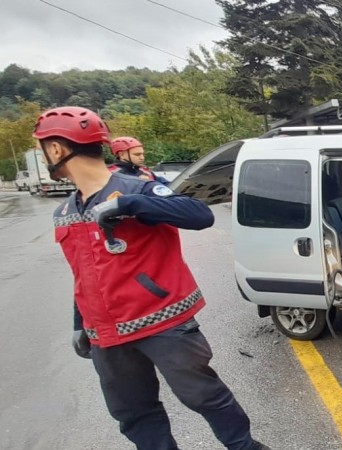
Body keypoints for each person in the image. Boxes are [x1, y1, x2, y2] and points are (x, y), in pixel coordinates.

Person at [35, 106, 268, 450]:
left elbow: (199, 215)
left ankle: (245, 447)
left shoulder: (138, 190)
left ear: (56, 149)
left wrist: (129, 205)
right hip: (106, 335)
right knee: (134, 414)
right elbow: (83, 275)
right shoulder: (65, 212)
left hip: (164, 324)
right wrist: (79, 322)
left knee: (205, 397)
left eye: (44, 148)